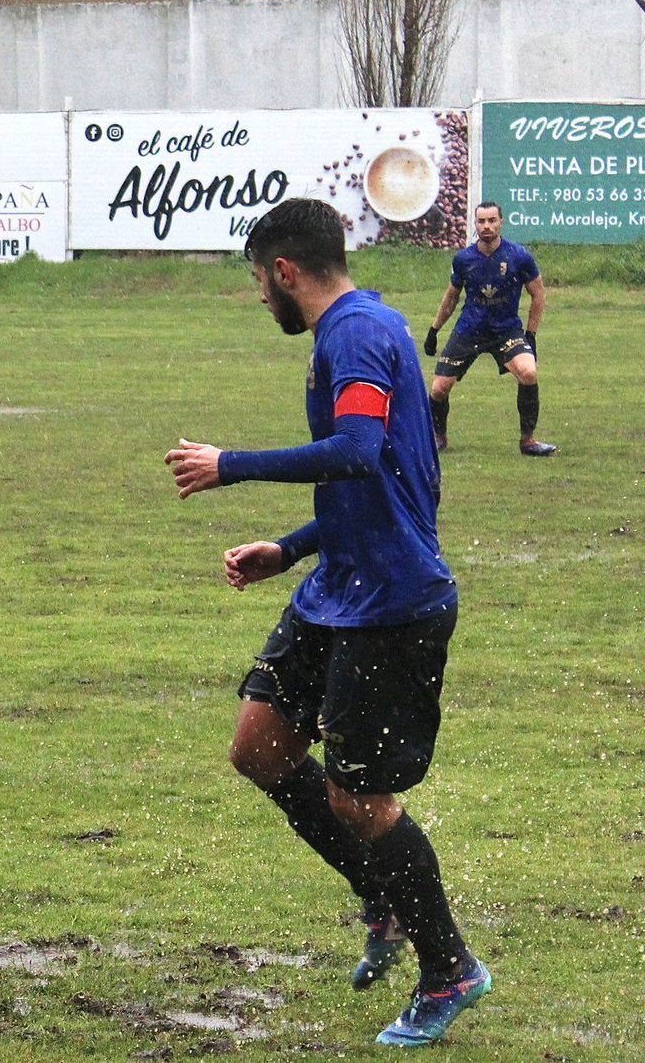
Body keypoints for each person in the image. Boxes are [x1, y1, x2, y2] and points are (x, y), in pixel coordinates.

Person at [164, 199, 491, 1048]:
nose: (257, 298)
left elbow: (353, 450)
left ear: (282, 272)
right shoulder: (364, 324)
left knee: (360, 796)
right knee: (261, 745)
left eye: (255, 281)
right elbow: (375, 476)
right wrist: (292, 547)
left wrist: (230, 465)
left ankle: (450, 965)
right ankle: (377, 893)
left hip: (391, 601)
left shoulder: (352, 336)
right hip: (340, 584)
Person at [422, 200, 555, 456]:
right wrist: (433, 330)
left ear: (501, 222)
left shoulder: (519, 256)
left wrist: (531, 334)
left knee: (528, 372)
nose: (487, 226)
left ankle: (528, 441)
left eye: (492, 220)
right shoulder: (464, 259)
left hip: (506, 330)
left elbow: (538, 295)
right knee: (439, 388)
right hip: (469, 329)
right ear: (475, 224)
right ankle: (439, 436)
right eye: (481, 221)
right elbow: (451, 298)